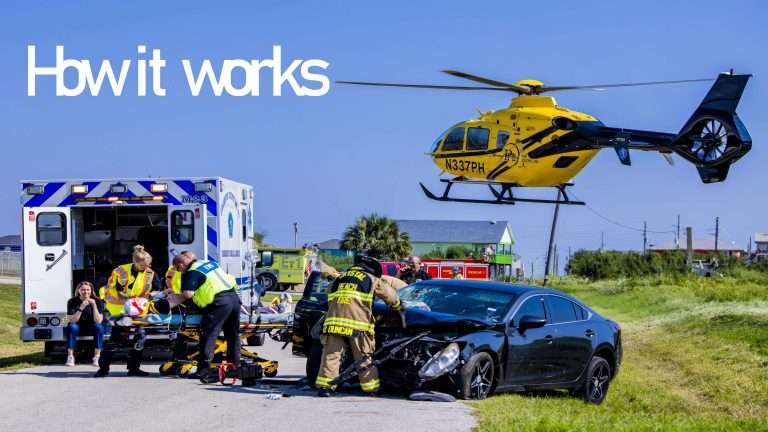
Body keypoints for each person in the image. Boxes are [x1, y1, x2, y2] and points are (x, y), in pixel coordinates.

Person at [315, 256, 402, 397]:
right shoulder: (371, 279)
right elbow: (390, 295)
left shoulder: (339, 278)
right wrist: (398, 306)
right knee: (364, 357)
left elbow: (329, 298)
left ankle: (325, 388)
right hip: (358, 326)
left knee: (331, 355)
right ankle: (371, 389)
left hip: (333, 323)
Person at [173, 252, 241, 383]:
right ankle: (234, 368)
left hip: (219, 304)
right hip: (234, 299)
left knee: (208, 336)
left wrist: (175, 298)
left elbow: (187, 294)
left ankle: (203, 370)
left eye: (178, 269)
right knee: (233, 336)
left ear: (180, 265)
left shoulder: (192, 272)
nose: (179, 272)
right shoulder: (209, 263)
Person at [95, 245, 161, 378]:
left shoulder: (150, 273)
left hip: (138, 310)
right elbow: (119, 292)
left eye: (148, 265)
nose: (147, 268)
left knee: (140, 337)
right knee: (115, 340)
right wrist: (133, 298)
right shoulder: (120, 271)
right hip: (119, 309)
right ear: (135, 262)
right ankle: (103, 369)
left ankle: (134, 368)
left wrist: (150, 295)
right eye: (144, 266)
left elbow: (157, 288)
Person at [65, 281, 106, 367]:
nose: (86, 292)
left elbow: (98, 320)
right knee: (71, 327)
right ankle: (70, 356)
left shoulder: (98, 301)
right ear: (78, 290)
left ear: (91, 291)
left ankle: (97, 356)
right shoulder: (72, 301)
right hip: (77, 325)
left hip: (91, 326)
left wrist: (94, 305)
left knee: (99, 327)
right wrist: (81, 307)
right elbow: (72, 320)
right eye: (83, 290)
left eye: (88, 289)